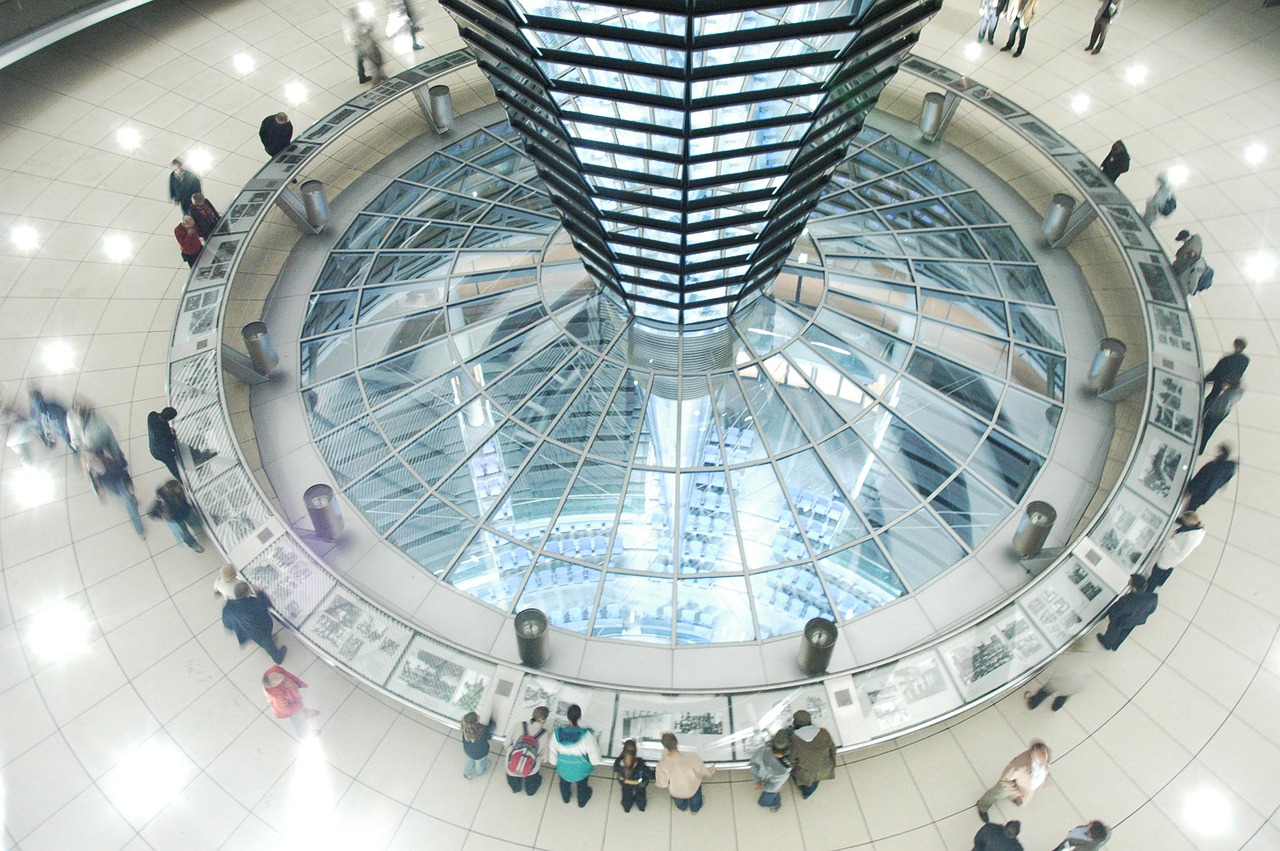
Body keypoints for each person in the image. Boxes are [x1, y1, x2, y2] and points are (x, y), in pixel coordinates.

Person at [975, 740, 1051, 821]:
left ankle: (1016, 798)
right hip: (1013, 786)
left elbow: (1045, 767)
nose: (1043, 762)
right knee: (995, 794)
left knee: (1021, 797)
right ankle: (982, 806)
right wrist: (1016, 792)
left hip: (1026, 787)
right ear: (1032, 755)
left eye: (1044, 759)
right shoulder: (1018, 766)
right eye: (1040, 761)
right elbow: (1005, 780)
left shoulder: (1045, 755)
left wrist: (1044, 779)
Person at [547, 704, 600, 807]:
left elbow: (552, 759)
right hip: (581, 771)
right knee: (582, 786)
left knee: (564, 784)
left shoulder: (557, 734)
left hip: (563, 770)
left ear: (567, 716)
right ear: (580, 717)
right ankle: (582, 802)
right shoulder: (586, 735)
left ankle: (566, 798)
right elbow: (595, 759)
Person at [221, 581, 287, 663]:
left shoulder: (227, 608)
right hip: (261, 631)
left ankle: (266, 645)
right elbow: (267, 604)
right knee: (268, 644)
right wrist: (260, 593)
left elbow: (228, 626)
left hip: (245, 632)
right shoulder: (253, 602)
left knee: (261, 641)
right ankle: (278, 658)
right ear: (247, 593)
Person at [85, 448, 145, 537]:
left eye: (94, 458)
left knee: (129, 504)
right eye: (91, 461)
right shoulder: (92, 471)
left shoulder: (109, 462)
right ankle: (132, 499)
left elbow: (122, 472)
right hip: (111, 487)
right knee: (127, 497)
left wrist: (129, 482)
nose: (94, 462)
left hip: (119, 482)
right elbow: (94, 483)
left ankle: (139, 529)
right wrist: (99, 490)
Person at [655, 731, 716, 813]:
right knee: (696, 801)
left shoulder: (661, 765)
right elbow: (703, 772)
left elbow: (663, 784)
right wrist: (711, 770)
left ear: (664, 747)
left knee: (680, 803)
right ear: (676, 743)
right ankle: (695, 809)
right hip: (693, 788)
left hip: (676, 792)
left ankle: (683, 808)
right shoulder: (692, 757)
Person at [1096, 574, 1158, 650]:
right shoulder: (1153, 596)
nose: (1129, 582)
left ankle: (1107, 643)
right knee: (1125, 632)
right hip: (1137, 620)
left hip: (1122, 621)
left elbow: (1116, 613)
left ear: (1134, 588)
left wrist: (1111, 617)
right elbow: (1152, 610)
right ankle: (1116, 645)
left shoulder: (1126, 601)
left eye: (1130, 582)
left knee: (1113, 631)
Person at [1148, 511, 1205, 589]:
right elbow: (1183, 526)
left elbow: (1182, 553)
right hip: (1172, 558)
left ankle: (1149, 589)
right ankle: (1161, 582)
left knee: (1157, 572)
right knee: (1168, 569)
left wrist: (1171, 541)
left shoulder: (1191, 537)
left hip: (1172, 556)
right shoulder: (1197, 526)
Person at [787, 709, 836, 799]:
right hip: (824, 768)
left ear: (796, 723)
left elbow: (792, 759)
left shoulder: (794, 738)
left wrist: (791, 770)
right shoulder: (823, 732)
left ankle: (805, 793)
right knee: (815, 781)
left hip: (805, 772)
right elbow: (832, 749)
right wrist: (831, 763)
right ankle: (807, 793)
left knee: (807, 783)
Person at [1024, 649, 1094, 712]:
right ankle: (1056, 707)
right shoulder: (1084, 657)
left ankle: (1033, 703)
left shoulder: (1067, 658)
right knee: (1065, 695)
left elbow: (1054, 671)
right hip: (1076, 684)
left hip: (1060, 681)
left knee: (1044, 692)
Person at [147, 479, 205, 552]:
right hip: (176, 518)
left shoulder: (178, 491)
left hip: (186, 511)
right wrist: (163, 516)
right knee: (184, 533)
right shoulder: (162, 499)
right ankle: (194, 545)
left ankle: (201, 537)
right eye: (177, 489)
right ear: (169, 490)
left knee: (196, 524)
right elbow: (152, 513)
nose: (179, 490)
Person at [262, 665, 319, 737]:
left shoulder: (279, 673)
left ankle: (305, 713)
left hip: (294, 700)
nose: (278, 675)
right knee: (298, 721)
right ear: (274, 685)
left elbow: (280, 670)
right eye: (275, 679)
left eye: (275, 674)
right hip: (291, 710)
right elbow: (287, 710)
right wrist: (298, 706)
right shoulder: (278, 697)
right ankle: (304, 734)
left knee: (300, 711)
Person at [505, 705, 549, 795]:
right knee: (532, 781)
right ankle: (530, 791)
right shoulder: (545, 735)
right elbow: (544, 758)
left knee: (512, 776)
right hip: (530, 769)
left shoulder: (519, 725)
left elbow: (507, 743)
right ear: (543, 720)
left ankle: (515, 788)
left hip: (513, 764)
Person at [749, 731, 792, 812]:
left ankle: (776, 803)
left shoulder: (763, 751)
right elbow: (774, 787)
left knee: (763, 803)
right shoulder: (785, 769)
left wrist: (758, 782)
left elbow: (753, 765)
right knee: (767, 798)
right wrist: (761, 785)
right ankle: (775, 802)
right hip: (771, 787)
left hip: (766, 784)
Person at [1185, 444, 1237, 511]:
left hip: (1201, 492)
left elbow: (1201, 479)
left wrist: (1190, 489)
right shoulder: (1229, 468)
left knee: (1191, 508)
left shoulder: (1212, 466)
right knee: (1192, 507)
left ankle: (1187, 518)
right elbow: (1224, 481)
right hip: (1208, 492)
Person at [1200, 377, 1243, 452]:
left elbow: (1223, 406)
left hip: (1215, 414)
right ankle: (1201, 447)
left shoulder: (1229, 396)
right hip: (1220, 414)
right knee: (1208, 431)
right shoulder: (1238, 392)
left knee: (1206, 430)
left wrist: (1214, 413)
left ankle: (1200, 447)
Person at [612, 739, 652, 813]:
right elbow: (650, 776)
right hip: (639, 783)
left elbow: (615, 768)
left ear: (624, 751)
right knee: (640, 794)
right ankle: (641, 807)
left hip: (625, 784)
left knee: (626, 794)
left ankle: (627, 807)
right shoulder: (640, 764)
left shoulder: (619, 764)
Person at [1205, 338, 1249, 404]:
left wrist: (1207, 378)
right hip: (1226, 380)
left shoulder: (1229, 358)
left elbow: (1218, 370)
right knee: (1214, 397)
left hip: (1224, 380)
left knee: (1213, 397)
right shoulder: (1243, 359)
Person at [348, 9, 385, 84]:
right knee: (374, 61)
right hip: (365, 46)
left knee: (366, 61)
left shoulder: (356, 23)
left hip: (364, 46)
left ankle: (367, 76)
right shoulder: (354, 26)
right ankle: (377, 77)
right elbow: (365, 32)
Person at [148, 407, 181, 479]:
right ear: (169, 418)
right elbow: (168, 444)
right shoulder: (162, 431)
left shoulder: (152, 416)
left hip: (153, 448)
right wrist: (173, 435)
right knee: (172, 466)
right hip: (160, 452)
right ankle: (181, 480)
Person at [460, 711, 494, 779]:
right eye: (477, 716)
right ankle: (480, 772)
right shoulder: (482, 730)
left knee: (471, 759)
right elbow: (488, 737)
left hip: (468, 750)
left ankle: (467, 772)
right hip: (480, 754)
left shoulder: (465, 730)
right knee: (480, 763)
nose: (478, 715)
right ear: (475, 722)